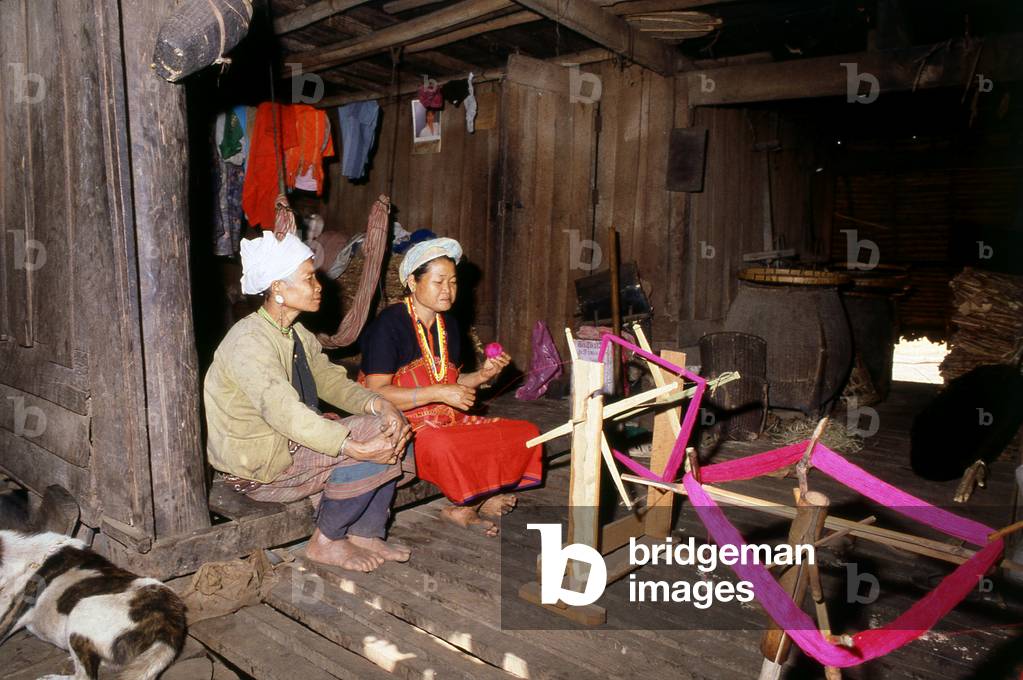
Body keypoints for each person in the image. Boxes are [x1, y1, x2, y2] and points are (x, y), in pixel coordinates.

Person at [204, 232, 413, 572]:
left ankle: (365, 533)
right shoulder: (249, 343)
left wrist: (380, 404)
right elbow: (284, 412)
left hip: (287, 445)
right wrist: (353, 447)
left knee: (391, 425)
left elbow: (330, 380)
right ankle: (326, 541)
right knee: (369, 438)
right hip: (259, 470)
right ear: (278, 289)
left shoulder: (295, 332)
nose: (319, 285)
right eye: (308, 278)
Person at [360, 238, 543, 536]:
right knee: (446, 446)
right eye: (438, 281)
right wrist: (437, 393)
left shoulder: (450, 326)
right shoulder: (388, 325)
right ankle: (471, 503)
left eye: (454, 282)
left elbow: (450, 382)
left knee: (526, 434)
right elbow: (375, 392)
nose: (448, 290)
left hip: (444, 417)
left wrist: (482, 375)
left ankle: (473, 501)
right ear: (412, 281)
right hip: (401, 424)